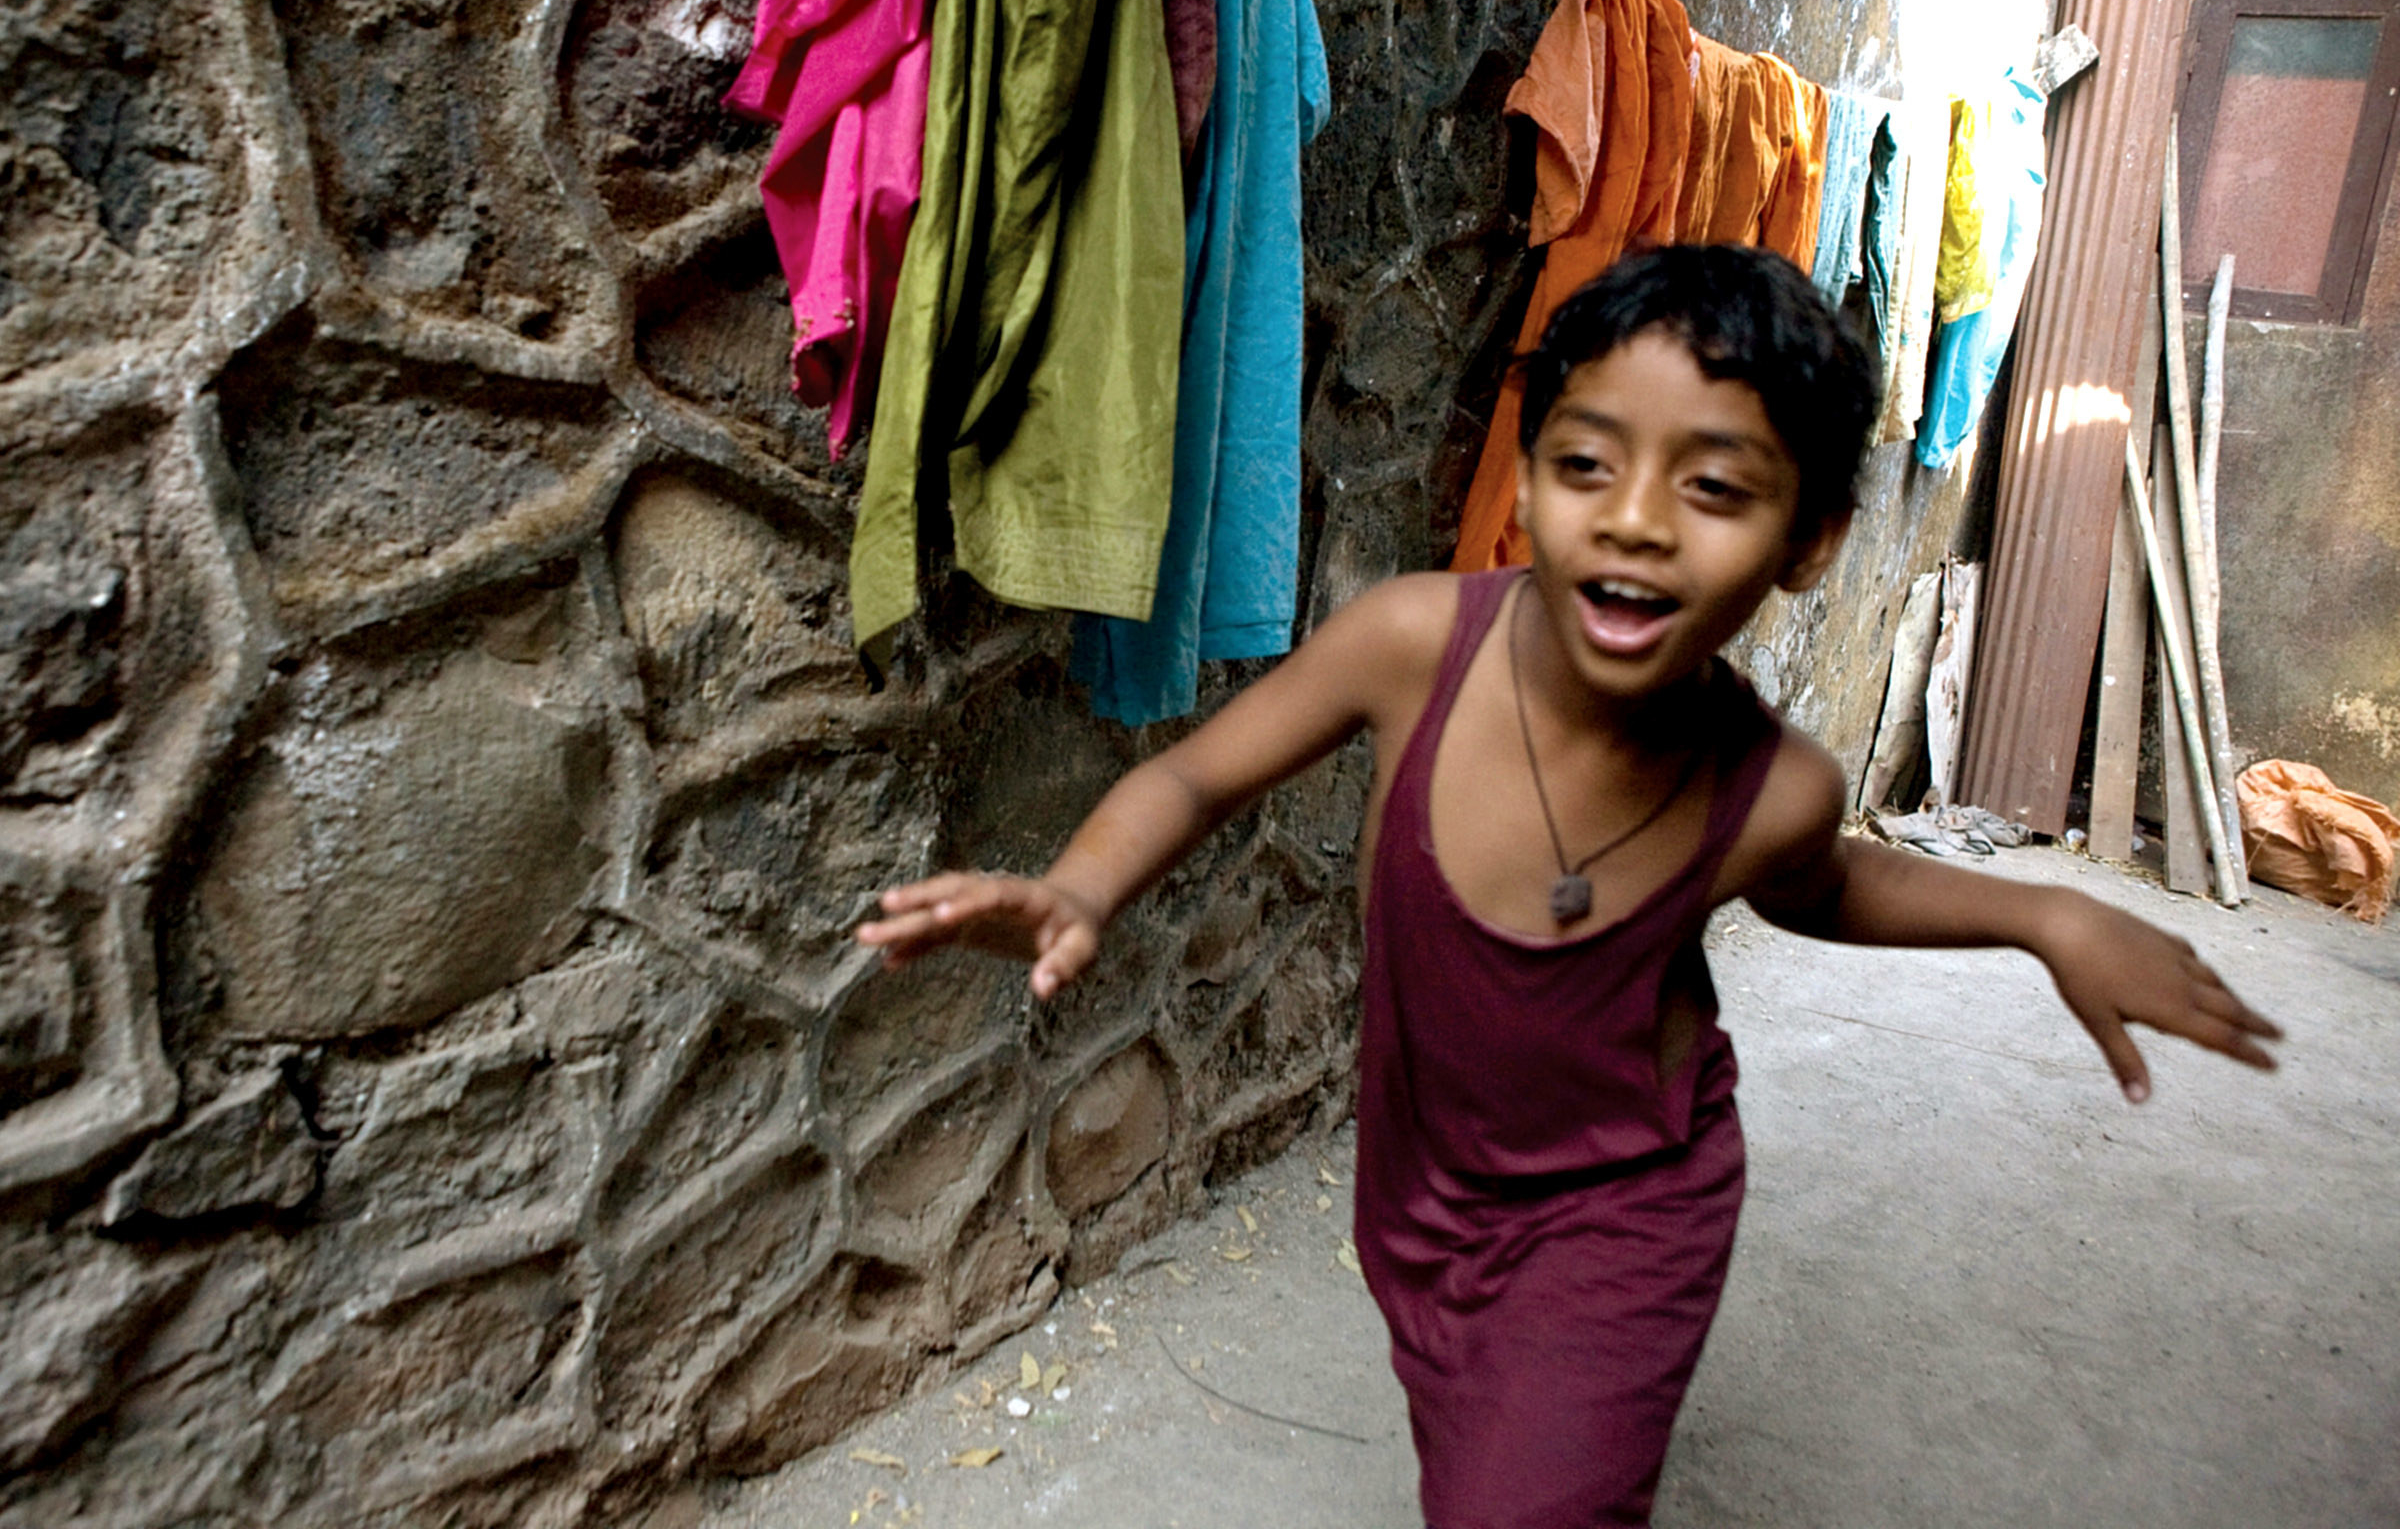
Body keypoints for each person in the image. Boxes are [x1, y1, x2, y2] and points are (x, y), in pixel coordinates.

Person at [857, 244, 2282, 1528]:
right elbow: (1193, 778)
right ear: (1526, 480)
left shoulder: (1775, 787)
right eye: (1586, 464)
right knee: (1480, 1459)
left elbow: (1820, 889)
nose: (1638, 520)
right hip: (1423, 1191)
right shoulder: (1411, 644)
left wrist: (2042, 913)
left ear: (1809, 545)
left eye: (1714, 487)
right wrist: (1082, 886)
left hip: (1630, 1204)